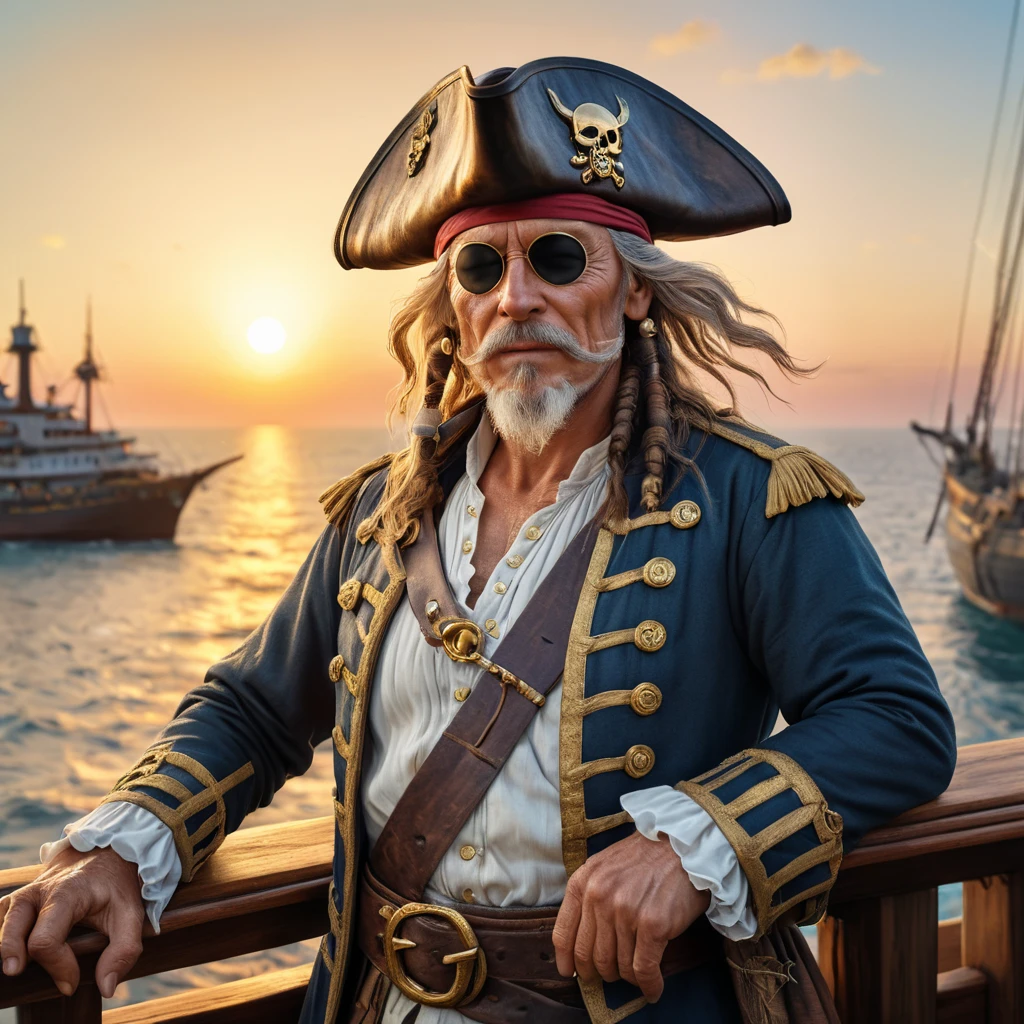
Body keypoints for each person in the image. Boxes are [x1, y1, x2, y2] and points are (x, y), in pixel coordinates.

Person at [0, 57, 956, 1024]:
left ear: (632, 291)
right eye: (481, 267)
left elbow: (897, 719)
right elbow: (252, 711)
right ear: (455, 312)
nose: (516, 298)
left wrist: (695, 838)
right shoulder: (380, 515)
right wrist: (120, 844)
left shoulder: (751, 497)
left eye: (556, 257)